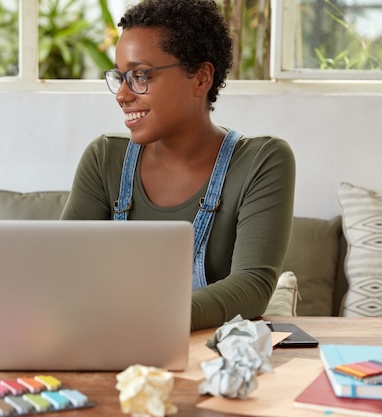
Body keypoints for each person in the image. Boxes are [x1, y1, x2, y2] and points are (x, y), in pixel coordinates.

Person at [61, 0, 295, 330]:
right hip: (110, 345)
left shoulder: (262, 161)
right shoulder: (103, 159)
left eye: (140, 76)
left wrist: (149, 318)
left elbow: (252, 286)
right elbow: (64, 270)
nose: (122, 95)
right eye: (121, 77)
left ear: (200, 78)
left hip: (208, 361)